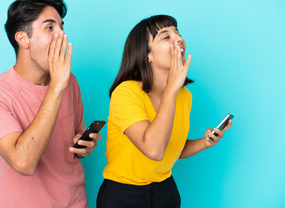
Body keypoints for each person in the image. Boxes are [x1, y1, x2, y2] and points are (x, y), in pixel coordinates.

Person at [0, 0, 101, 208]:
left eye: (62, 27)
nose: (62, 35)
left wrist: (83, 145)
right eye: (50, 27)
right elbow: (23, 162)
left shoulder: (70, 81)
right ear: (23, 38)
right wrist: (56, 88)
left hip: (75, 202)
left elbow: (75, 136)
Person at [97, 15, 232, 208]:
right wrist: (171, 89)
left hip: (165, 192)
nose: (178, 39)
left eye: (177, 33)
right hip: (123, 194)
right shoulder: (126, 92)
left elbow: (171, 148)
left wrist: (205, 142)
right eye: (165, 36)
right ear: (147, 55)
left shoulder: (184, 96)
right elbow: (154, 150)